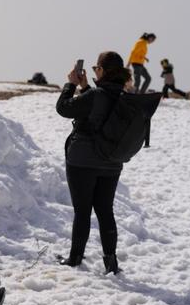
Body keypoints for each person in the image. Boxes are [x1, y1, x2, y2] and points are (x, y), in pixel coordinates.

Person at [55, 51, 132, 275]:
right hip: (111, 163)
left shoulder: (97, 95)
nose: (95, 71)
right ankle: (111, 262)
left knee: (82, 211)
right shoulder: (124, 96)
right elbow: (102, 111)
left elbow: (64, 108)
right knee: (105, 211)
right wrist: (86, 88)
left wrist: (70, 85)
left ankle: (75, 258)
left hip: (83, 161)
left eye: (97, 68)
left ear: (103, 71)